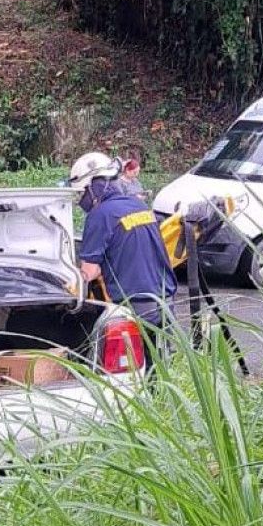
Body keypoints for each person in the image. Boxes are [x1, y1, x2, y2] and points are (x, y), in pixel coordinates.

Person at [69, 151, 177, 367]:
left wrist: (69, 285)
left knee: (129, 373)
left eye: (82, 193)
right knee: (159, 370)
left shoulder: (100, 215)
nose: (82, 200)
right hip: (165, 301)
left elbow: (89, 272)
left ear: (93, 186)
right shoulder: (138, 206)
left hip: (135, 305)